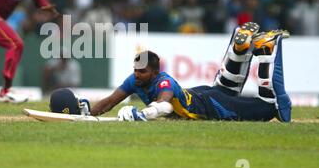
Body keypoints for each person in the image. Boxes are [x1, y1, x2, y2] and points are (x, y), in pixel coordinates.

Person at [89, 22, 292, 122]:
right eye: (135, 70)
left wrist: (141, 115)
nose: (136, 75)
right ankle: (239, 50)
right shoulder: (134, 80)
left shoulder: (164, 82)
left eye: (142, 72)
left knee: (269, 110)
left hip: (209, 106)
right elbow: (109, 101)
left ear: (154, 72)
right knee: (227, 87)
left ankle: (266, 49)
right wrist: (87, 115)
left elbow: (164, 104)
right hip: (202, 93)